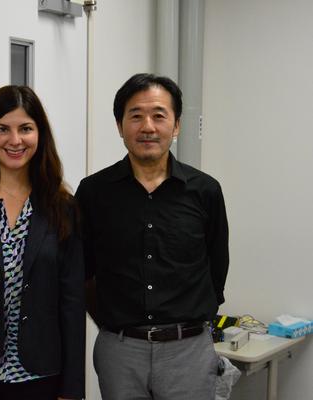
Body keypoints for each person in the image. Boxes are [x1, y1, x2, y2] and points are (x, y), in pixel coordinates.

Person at [76, 73, 229, 400]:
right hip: (120, 351)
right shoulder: (93, 192)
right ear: (120, 126)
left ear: (176, 126)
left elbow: (217, 270)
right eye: (136, 115)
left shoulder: (205, 191)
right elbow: (83, 271)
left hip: (188, 351)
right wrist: (115, 327)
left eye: (159, 115)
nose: (148, 126)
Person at [0, 85, 85, 400]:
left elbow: (72, 302)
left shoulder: (63, 208)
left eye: (25, 128)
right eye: (3, 129)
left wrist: (72, 388)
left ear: (40, 134)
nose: (15, 140)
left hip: (41, 374)